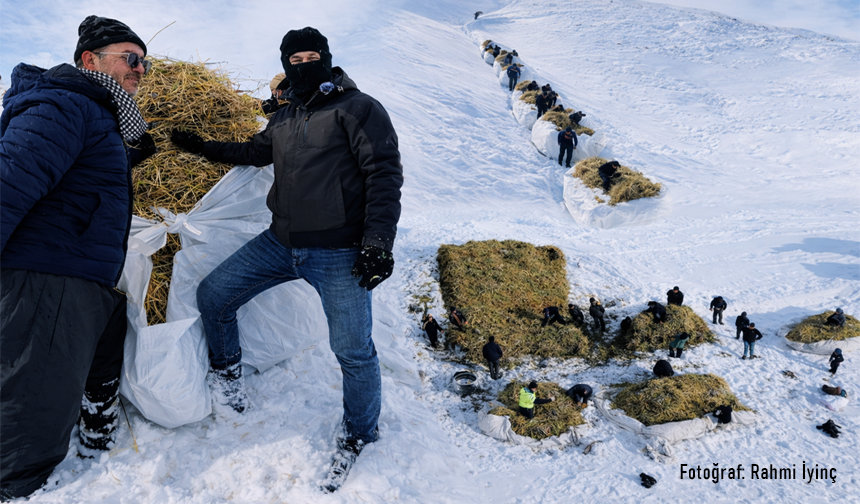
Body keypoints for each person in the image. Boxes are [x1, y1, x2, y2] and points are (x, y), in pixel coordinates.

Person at [170, 27, 402, 493]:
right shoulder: (286, 115)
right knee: (214, 296)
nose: (303, 64)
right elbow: (254, 153)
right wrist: (198, 145)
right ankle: (227, 373)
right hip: (279, 243)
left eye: (311, 56)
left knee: (354, 351)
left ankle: (359, 433)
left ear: (328, 58)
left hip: (339, 253)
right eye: (293, 59)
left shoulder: (358, 109)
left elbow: (384, 173)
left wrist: (377, 242)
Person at [0, 16, 155, 500]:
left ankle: (89, 431)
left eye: (143, 63)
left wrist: (125, 156)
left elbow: (74, 180)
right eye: (130, 59)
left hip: (74, 273)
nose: (140, 71)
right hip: (47, 278)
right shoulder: (65, 105)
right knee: (31, 409)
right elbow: (9, 181)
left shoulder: (92, 114)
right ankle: (13, 486)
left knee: (86, 358)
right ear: (90, 60)